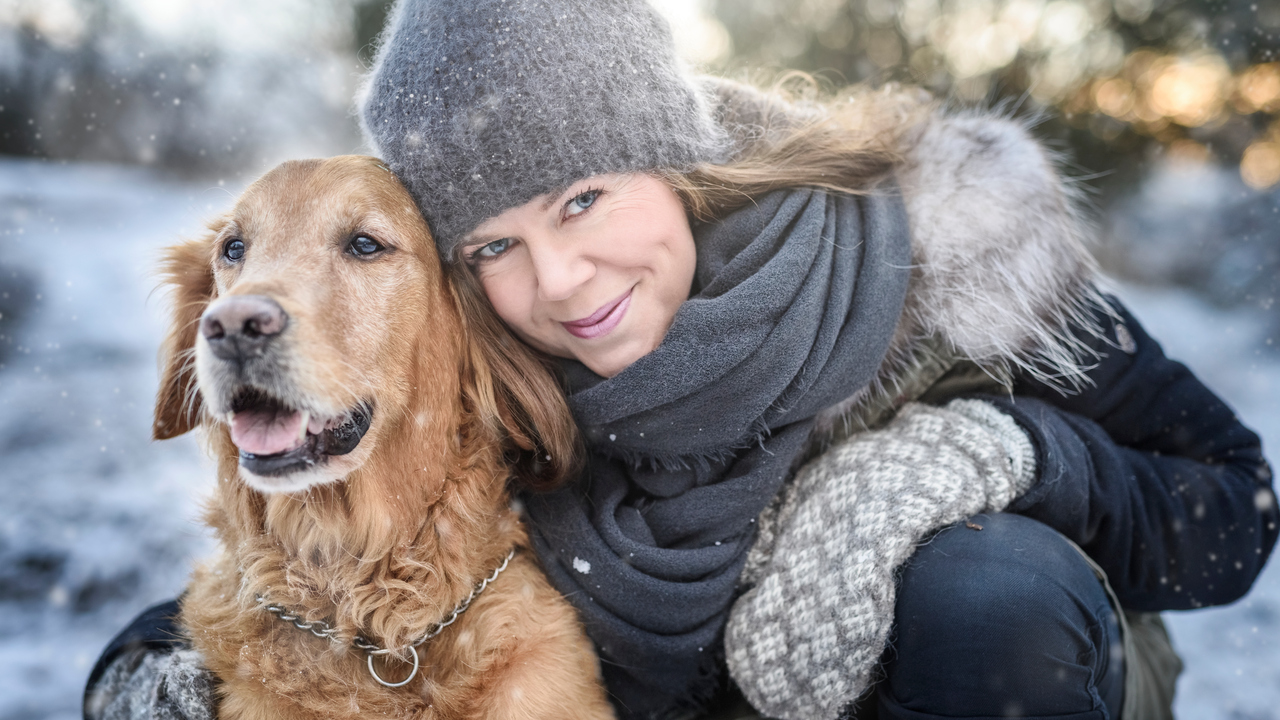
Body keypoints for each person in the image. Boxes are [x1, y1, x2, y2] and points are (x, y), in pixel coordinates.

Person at [85, 1, 1277, 719]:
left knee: (983, 587)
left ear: (674, 162)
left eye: (586, 198)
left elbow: (1236, 504)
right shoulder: (498, 357)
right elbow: (362, 562)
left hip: (1025, 674)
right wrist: (158, 669)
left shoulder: (941, 264)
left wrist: (1000, 451)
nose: (558, 278)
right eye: (496, 240)